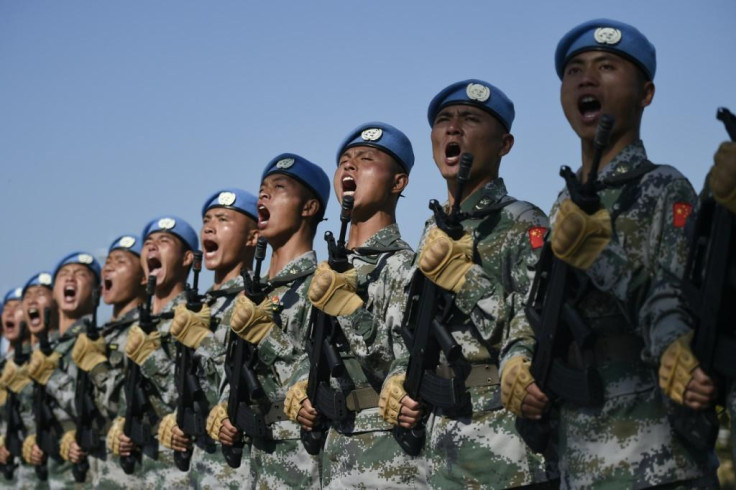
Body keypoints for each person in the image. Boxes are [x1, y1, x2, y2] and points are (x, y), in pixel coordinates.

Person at [504, 19, 719, 488]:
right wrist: (516, 361)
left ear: (646, 93)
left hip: (653, 451)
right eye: (575, 70)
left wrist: (601, 255)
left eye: (607, 67)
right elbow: (537, 307)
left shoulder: (664, 186)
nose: (586, 78)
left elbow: (678, 308)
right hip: (577, 454)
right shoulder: (564, 203)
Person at [382, 80, 553, 488]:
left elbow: (538, 328)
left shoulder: (523, 222)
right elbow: (413, 329)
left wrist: (466, 279)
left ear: (504, 144)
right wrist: (398, 375)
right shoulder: (431, 230)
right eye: (444, 121)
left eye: (470, 119)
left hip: (506, 448)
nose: (453, 129)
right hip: (440, 450)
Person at [285, 122, 425, 488]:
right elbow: (298, 354)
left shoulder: (405, 266)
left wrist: (348, 309)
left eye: (366, 160)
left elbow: (400, 364)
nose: (350, 167)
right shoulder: (322, 275)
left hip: (388, 459)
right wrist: (301, 384)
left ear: (398, 182)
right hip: (332, 458)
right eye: (344, 161)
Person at [207, 153, 329, 488]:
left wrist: (266, 334)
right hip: (254, 459)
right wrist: (224, 405)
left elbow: (324, 371)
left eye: (279, 188)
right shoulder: (251, 295)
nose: (264, 195)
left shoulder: (321, 284)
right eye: (262, 189)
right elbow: (232, 367)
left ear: (309, 208)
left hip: (304, 457)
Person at [166, 188, 259, 489]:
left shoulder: (255, 300)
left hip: (239, 465)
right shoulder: (197, 307)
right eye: (206, 219)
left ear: (253, 238)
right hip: (198, 466)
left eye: (223, 219)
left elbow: (244, 377)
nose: (209, 226)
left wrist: (202, 340)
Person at [112, 216, 198, 489]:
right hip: (139, 467)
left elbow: (200, 388)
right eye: (148, 243)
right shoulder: (134, 325)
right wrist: (119, 423)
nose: (151, 248)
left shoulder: (194, 317)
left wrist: (150, 355)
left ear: (186, 258)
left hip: (180, 467)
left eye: (163, 242)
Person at [70, 234, 146, 489]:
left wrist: (96, 366)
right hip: (98, 468)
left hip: (132, 470)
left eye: (121, 261)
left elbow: (129, 403)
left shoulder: (142, 331)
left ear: (144, 277)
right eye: (108, 261)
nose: (109, 267)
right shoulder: (100, 335)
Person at [26, 253, 101, 487]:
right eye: (64, 275)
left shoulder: (96, 342)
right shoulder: (50, 348)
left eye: (80, 275)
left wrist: (52, 376)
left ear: (97, 291)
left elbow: (100, 410)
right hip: (49, 476)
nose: (71, 278)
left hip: (83, 476)